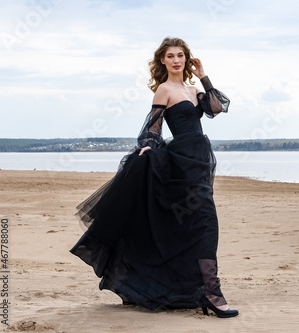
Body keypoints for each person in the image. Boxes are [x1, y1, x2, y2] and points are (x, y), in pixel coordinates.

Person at [70, 37, 238, 318]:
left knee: (195, 226)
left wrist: (204, 76)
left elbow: (216, 108)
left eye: (181, 55)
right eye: (170, 56)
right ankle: (212, 292)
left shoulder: (192, 87)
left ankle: (196, 289)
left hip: (199, 159)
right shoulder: (164, 89)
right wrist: (149, 146)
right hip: (180, 162)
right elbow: (154, 128)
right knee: (206, 223)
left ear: (187, 59)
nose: (176, 60)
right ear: (163, 60)